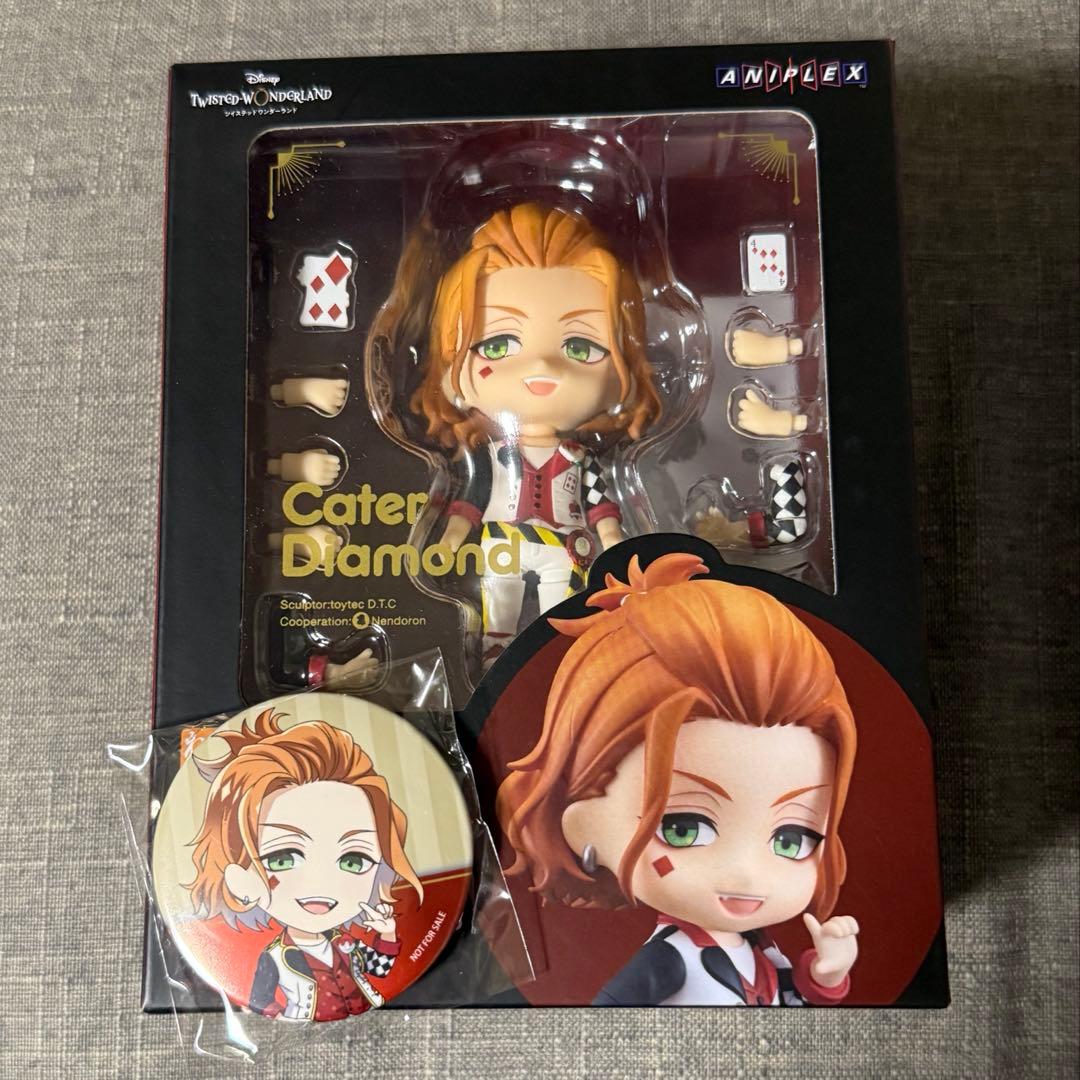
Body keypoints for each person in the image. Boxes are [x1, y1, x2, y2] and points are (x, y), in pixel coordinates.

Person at [496, 551, 859, 1005]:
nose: (747, 872)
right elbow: (602, 1021)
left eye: (792, 839)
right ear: (584, 824)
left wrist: (826, 974)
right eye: (684, 828)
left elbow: (793, 1001)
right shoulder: (667, 961)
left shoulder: (760, 949)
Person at [184, 707, 422, 1020]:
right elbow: (260, 999)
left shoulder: (345, 942)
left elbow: (380, 969)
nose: (321, 881)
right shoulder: (275, 958)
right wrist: (284, 1017)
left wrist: (388, 934)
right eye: (283, 858)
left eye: (353, 861)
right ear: (241, 880)